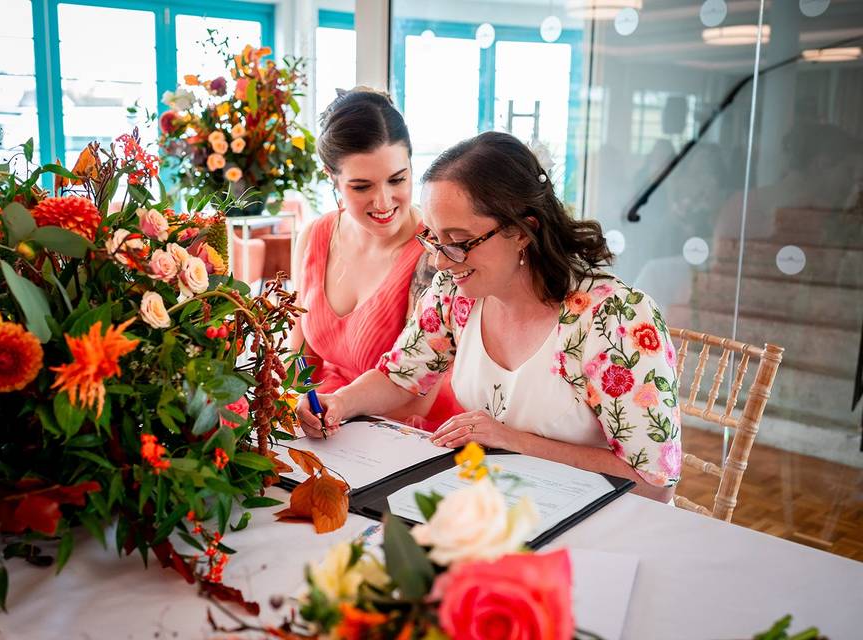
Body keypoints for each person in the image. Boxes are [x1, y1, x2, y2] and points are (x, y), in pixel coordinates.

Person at [296, 131, 682, 502]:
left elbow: (654, 482)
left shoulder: (615, 318)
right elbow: (400, 376)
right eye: (433, 238)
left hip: (605, 523)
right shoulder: (455, 294)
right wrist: (339, 403)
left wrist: (511, 441)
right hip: (503, 502)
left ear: (521, 231)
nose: (439, 261)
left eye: (459, 242)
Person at [289, 88, 461, 427]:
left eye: (398, 179)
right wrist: (299, 411)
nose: (383, 202)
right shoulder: (314, 236)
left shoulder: (433, 254)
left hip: (407, 427)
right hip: (332, 416)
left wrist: (333, 411)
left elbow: (413, 398)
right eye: (362, 187)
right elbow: (300, 365)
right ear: (331, 177)